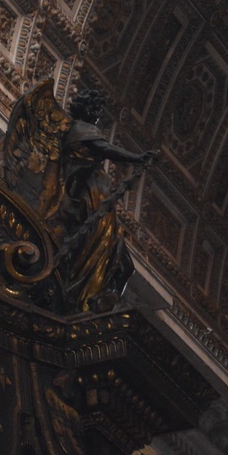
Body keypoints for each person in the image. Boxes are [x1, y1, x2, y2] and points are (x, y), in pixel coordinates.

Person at [58, 89, 156, 311]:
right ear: (84, 109)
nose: (97, 114)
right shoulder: (79, 128)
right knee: (97, 244)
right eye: (94, 109)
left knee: (124, 264)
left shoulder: (83, 130)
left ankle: (103, 301)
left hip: (100, 197)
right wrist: (137, 158)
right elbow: (104, 148)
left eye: (99, 111)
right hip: (88, 196)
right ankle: (83, 295)